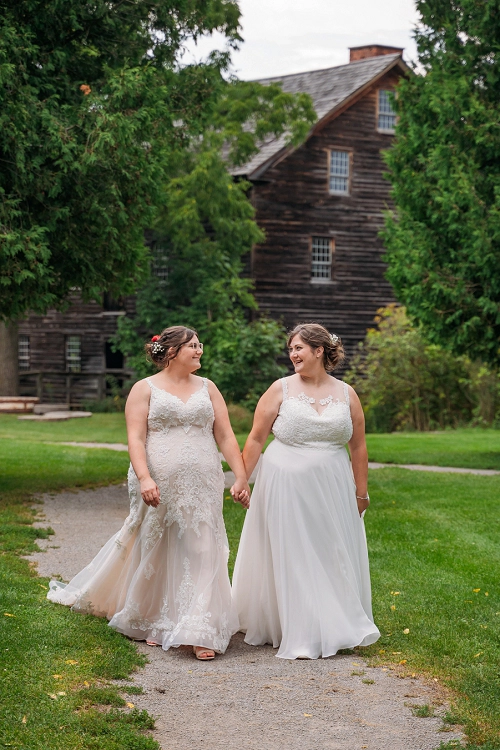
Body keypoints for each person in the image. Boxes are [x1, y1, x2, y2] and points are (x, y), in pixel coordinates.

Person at [48, 326, 250, 661]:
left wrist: (241, 475)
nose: (200, 350)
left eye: (200, 345)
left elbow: (226, 435)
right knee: (157, 542)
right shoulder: (145, 389)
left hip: (203, 478)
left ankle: (200, 628)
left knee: (203, 544)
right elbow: (135, 438)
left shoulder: (208, 388)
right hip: (156, 477)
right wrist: (144, 477)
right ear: (171, 352)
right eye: (193, 346)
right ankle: (155, 619)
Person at [231, 323, 380, 660]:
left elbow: (359, 447)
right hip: (285, 483)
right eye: (291, 349)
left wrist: (361, 492)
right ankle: (298, 626)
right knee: (295, 551)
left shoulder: (346, 393)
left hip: (333, 484)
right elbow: (256, 438)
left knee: (330, 550)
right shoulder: (280, 389)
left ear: (319, 350)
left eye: (298, 348)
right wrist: (241, 479)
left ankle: (335, 620)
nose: (293, 355)